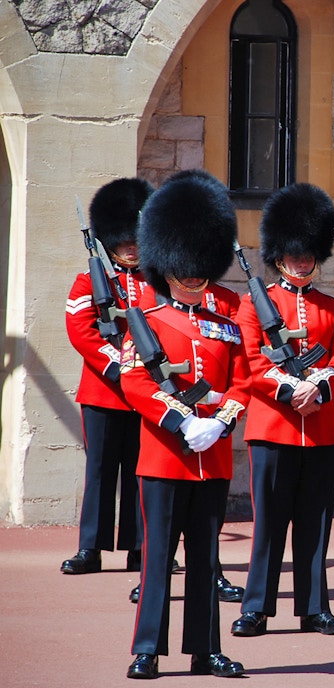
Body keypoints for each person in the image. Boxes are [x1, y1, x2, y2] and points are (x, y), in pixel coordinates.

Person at [120, 170, 249, 679]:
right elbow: (135, 382)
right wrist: (180, 422)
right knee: (157, 560)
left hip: (212, 456)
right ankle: (147, 647)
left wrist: (220, 423)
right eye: (184, 272)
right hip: (165, 457)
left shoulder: (226, 324)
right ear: (167, 266)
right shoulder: (148, 320)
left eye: (199, 272)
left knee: (205, 558)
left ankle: (205, 648)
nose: (193, 279)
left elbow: (243, 381)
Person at [231, 183, 334, 638]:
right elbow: (251, 361)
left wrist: (318, 388)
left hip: (320, 432)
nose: (303, 262)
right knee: (268, 525)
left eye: (309, 255)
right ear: (281, 254)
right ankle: (257, 607)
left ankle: (314, 607)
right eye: (296, 254)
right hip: (272, 429)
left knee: (315, 527)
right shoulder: (253, 305)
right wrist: (289, 390)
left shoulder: (333, 308)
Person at [62, 177, 153, 576]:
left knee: (141, 468)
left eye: (135, 239)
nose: (131, 247)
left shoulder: (156, 281)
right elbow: (79, 328)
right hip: (104, 390)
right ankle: (91, 548)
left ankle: (139, 546)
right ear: (110, 241)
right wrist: (118, 364)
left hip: (147, 391)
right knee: (100, 470)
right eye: (124, 241)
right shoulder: (89, 281)